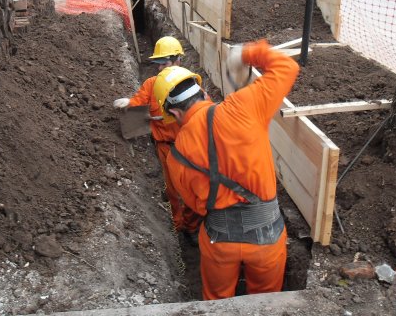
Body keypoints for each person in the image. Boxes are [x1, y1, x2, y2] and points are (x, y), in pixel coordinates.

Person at [153, 40, 300, 300]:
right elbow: (286, 66)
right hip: (267, 237)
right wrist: (246, 53)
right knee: (266, 305)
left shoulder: (176, 157)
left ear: (174, 113)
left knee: (218, 305)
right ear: (204, 92)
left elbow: (196, 207)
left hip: (219, 243)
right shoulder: (243, 106)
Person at [113, 37, 202, 241]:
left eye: (165, 62)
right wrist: (129, 103)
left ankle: (191, 226)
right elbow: (139, 101)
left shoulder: (189, 82)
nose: (161, 67)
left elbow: (204, 109)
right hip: (166, 148)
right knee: (173, 191)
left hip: (191, 148)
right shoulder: (152, 84)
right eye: (158, 63)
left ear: (178, 59)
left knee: (194, 191)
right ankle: (178, 227)